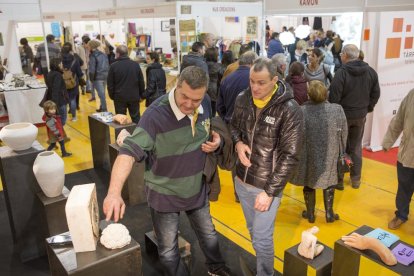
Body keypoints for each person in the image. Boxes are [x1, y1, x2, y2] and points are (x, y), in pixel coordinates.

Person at [103, 66, 232, 276]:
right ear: (177, 86)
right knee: (169, 250)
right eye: (185, 97)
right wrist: (113, 192)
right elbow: (128, 152)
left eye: (196, 100)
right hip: (164, 196)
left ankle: (216, 268)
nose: (189, 105)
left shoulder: (206, 103)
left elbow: (209, 127)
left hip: (196, 189)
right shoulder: (154, 116)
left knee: (209, 235)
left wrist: (215, 141)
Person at [230, 57, 303, 276]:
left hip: (266, 187)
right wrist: (238, 143)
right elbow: (233, 126)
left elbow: (290, 156)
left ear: (275, 80)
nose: (254, 87)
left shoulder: (290, 110)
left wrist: (270, 192)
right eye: (252, 81)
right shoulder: (243, 98)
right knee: (253, 232)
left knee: (262, 238)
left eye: (261, 82)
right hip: (242, 181)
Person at [290, 80, 346, 223]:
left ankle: (310, 215)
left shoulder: (301, 111)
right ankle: (329, 214)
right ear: (325, 93)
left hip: (308, 155)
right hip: (330, 154)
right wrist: (342, 151)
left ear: (309, 95)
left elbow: (295, 135)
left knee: (309, 183)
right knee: (329, 183)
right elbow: (343, 134)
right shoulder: (337, 109)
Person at [329, 44, 380, 190]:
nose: (340, 57)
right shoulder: (371, 72)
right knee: (356, 146)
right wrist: (367, 108)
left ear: (345, 55)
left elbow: (334, 97)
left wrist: (335, 114)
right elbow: (375, 94)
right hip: (360, 115)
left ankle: (339, 180)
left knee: (340, 147)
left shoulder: (341, 73)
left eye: (341, 55)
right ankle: (355, 179)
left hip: (343, 116)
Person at [217, 51, 258, 202]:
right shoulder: (253, 80)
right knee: (251, 156)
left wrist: (226, 119)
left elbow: (219, 105)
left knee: (236, 159)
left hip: (230, 124)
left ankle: (238, 194)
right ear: (253, 63)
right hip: (250, 125)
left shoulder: (226, 79)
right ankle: (251, 192)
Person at [382, 88, 414, 230]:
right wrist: (388, 141)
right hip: (407, 153)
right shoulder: (412, 95)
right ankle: (401, 214)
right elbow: (399, 119)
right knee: (403, 187)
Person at [107, 45, 145, 124]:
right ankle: (138, 135)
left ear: (117, 54)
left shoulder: (113, 66)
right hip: (134, 96)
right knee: (136, 118)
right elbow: (141, 82)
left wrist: (112, 96)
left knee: (121, 120)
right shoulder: (135, 65)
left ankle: (122, 136)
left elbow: (110, 84)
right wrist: (142, 95)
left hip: (119, 97)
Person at [61, 42, 83, 122]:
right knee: (72, 99)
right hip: (73, 82)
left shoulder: (59, 60)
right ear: (70, 50)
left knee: (62, 100)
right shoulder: (74, 59)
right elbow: (79, 72)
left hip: (62, 82)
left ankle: (63, 118)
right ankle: (74, 117)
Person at [88, 40, 109, 112]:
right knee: (102, 93)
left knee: (101, 94)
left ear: (91, 46)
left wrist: (91, 79)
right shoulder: (103, 54)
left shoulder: (93, 56)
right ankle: (102, 107)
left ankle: (104, 109)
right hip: (105, 76)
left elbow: (92, 69)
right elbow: (107, 65)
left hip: (97, 77)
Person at [46, 58, 69, 125]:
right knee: (62, 119)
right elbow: (56, 89)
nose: (62, 65)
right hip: (60, 101)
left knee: (58, 120)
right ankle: (60, 133)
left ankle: (59, 132)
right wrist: (54, 105)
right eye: (61, 64)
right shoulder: (57, 75)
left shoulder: (49, 73)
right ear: (57, 65)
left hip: (54, 100)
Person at [205, 47, 223, 116]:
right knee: (213, 111)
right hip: (215, 90)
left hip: (204, 88)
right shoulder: (219, 66)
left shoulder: (203, 64)